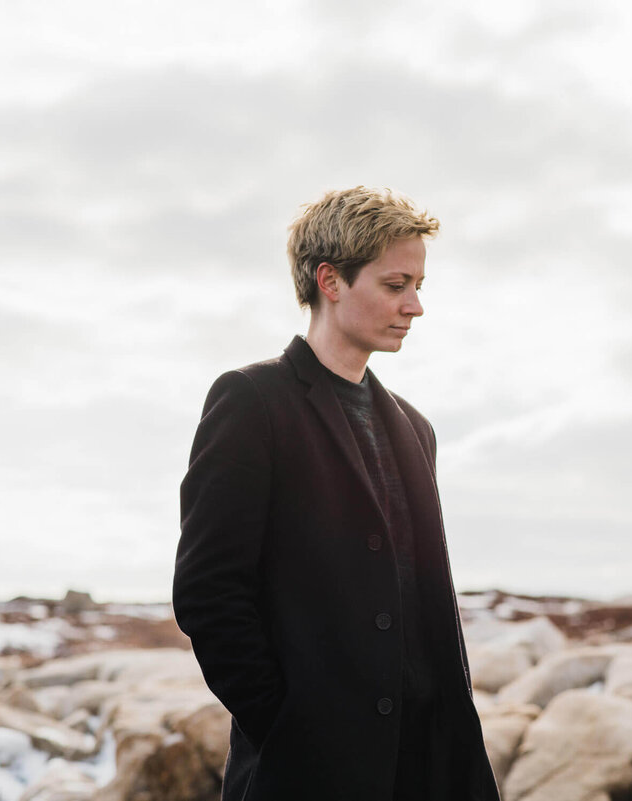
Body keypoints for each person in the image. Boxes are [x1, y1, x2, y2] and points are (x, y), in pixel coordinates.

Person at [172, 186, 500, 800]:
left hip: (428, 766)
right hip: (310, 771)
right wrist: (289, 728)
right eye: (396, 285)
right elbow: (209, 593)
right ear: (331, 280)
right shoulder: (252, 402)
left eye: (419, 286)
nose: (416, 306)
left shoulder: (415, 428)